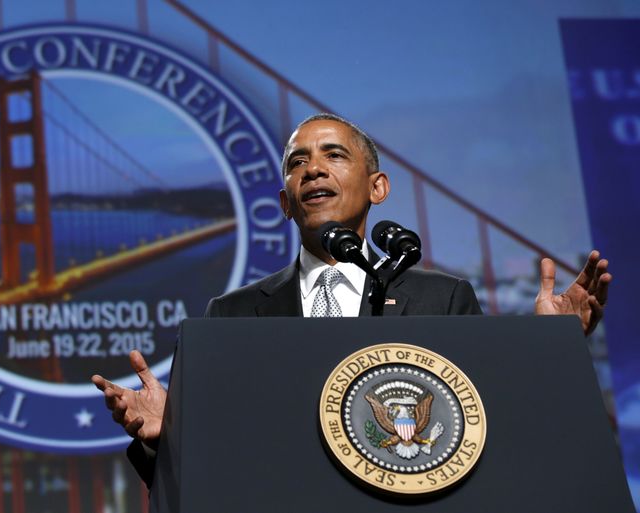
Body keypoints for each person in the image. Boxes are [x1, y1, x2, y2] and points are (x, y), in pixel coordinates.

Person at [91, 113, 611, 485]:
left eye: (333, 155)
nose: (312, 170)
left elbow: (487, 433)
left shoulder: (442, 297)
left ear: (377, 187)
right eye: (298, 162)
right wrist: (165, 436)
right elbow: (208, 468)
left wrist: (551, 349)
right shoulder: (229, 315)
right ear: (284, 203)